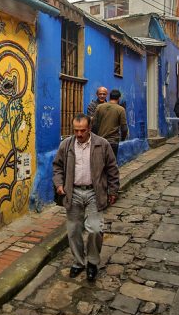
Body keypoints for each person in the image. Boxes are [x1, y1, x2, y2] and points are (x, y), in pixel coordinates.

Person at [53, 113, 119, 282]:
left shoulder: (101, 144)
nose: (79, 134)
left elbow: (112, 169)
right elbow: (57, 167)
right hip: (72, 192)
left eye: (82, 130)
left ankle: (92, 262)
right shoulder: (66, 145)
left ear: (89, 128)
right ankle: (79, 262)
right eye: (76, 130)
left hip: (94, 193)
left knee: (95, 229)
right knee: (74, 230)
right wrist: (59, 184)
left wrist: (113, 191)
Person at [92, 89, 128, 160]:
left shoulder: (99, 107)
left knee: (101, 162)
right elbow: (124, 128)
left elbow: (94, 125)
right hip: (113, 141)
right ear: (119, 98)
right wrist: (122, 139)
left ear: (109, 97)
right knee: (111, 164)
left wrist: (96, 138)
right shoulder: (121, 109)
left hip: (100, 141)